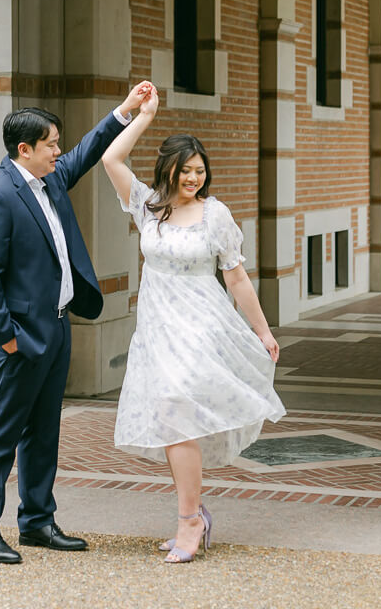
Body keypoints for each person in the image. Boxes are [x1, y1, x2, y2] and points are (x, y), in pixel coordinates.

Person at [0, 83, 153, 564]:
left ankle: (36, 522)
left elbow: (87, 152)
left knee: (44, 430)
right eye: (51, 144)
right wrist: (6, 339)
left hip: (58, 328)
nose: (58, 151)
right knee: (1, 433)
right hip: (21, 339)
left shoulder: (48, 178)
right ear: (24, 150)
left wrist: (125, 111)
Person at [101, 85, 285, 563]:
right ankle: (194, 512)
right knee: (169, 415)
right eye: (185, 172)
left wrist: (263, 331)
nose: (193, 179)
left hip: (201, 322)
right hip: (158, 327)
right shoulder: (149, 208)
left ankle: (188, 523)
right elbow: (111, 159)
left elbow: (238, 277)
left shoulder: (214, 214)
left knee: (179, 410)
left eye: (199, 171)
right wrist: (142, 115)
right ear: (168, 172)